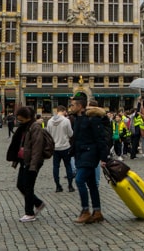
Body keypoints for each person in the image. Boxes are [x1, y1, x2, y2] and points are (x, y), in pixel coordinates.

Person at [69, 92, 110, 224]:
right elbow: (76, 138)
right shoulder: (77, 119)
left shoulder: (92, 119)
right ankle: (97, 211)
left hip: (89, 154)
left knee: (80, 180)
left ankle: (85, 210)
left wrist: (104, 158)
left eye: (73, 105)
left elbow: (100, 139)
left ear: (80, 106)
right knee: (91, 184)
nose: (71, 107)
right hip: (80, 154)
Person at [7, 106, 47, 222]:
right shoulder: (24, 127)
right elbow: (19, 144)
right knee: (20, 184)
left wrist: (33, 165)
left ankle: (29, 213)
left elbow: (37, 147)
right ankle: (38, 203)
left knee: (28, 187)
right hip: (23, 160)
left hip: (32, 162)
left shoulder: (35, 127)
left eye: (21, 119)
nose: (19, 121)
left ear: (28, 117)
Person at [46, 105, 75, 192]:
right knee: (68, 166)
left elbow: (48, 135)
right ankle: (70, 186)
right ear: (63, 111)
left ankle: (58, 186)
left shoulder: (50, 121)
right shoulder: (66, 121)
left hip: (55, 148)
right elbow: (70, 134)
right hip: (65, 146)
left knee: (56, 167)